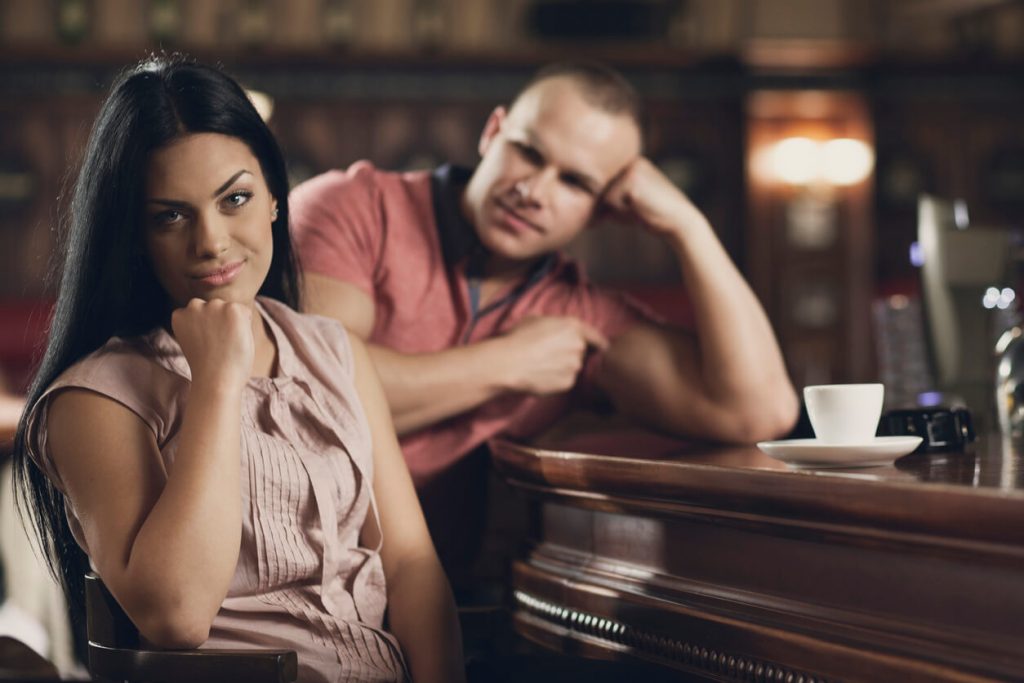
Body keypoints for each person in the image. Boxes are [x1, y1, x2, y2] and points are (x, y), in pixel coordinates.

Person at [10, 56, 464, 683]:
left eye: (236, 199)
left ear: (275, 198)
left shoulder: (334, 353)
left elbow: (411, 561)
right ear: (134, 235)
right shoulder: (94, 399)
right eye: (170, 215)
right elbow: (176, 616)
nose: (212, 242)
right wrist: (219, 382)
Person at [289, 62, 799, 585]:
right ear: (493, 132)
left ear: (602, 210)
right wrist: (510, 363)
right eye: (528, 152)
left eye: (575, 182)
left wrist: (689, 227)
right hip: (286, 575)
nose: (534, 190)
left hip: (436, 595)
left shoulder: (574, 310)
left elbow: (757, 411)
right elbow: (318, 394)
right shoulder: (350, 206)